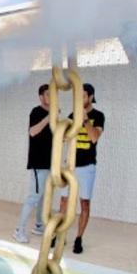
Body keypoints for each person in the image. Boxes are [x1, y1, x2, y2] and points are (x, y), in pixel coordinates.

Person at [59, 83, 104, 254]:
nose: (81, 99)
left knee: (84, 203)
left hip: (87, 167)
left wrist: (85, 120)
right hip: (70, 166)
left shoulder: (99, 116)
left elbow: (94, 138)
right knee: (64, 201)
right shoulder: (72, 116)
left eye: (83, 96)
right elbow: (64, 138)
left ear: (91, 97)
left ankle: (78, 238)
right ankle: (60, 234)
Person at [13, 84, 52, 243]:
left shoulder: (54, 114)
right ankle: (18, 230)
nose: (51, 97)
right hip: (38, 163)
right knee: (33, 197)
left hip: (49, 163)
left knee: (43, 197)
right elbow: (32, 132)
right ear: (41, 97)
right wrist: (48, 118)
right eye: (48, 94)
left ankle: (39, 225)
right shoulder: (36, 112)